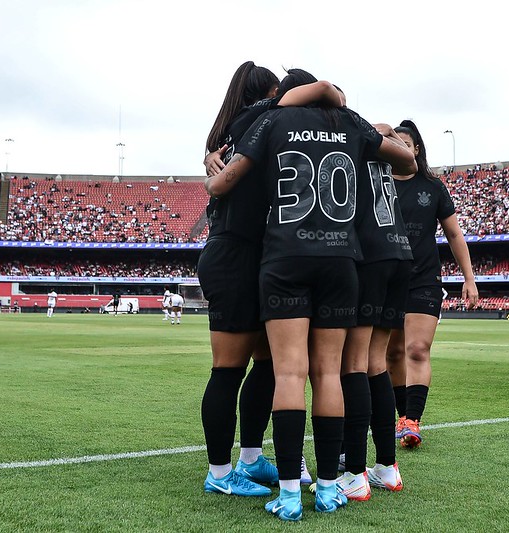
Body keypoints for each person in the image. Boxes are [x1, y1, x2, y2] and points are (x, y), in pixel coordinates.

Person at [205, 68, 417, 521]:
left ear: (287, 94)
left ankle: (286, 493)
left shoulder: (272, 121)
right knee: (329, 374)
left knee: (286, 374)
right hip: (341, 259)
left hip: (284, 256)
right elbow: (408, 164)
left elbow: (223, 183)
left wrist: (211, 174)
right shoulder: (352, 122)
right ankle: (326, 488)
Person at [198, 62, 344, 500]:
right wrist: (327, 96)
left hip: (256, 256)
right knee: (228, 370)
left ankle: (248, 460)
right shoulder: (263, 115)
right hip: (235, 255)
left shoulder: (237, 128)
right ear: (272, 92)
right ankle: (220, 473)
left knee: (267, 365)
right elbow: (326, 88)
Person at [386, 120, 479, 449]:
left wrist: (469, 278)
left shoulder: (433, 186)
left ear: (416, 150)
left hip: (424, 279)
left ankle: (413, 420)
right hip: (385, 279)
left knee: (417, 349)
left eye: (404, 144)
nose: (398, 149)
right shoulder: (377, 183)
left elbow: (454, 234)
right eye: (392, 143)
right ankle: (401, 415)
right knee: (392, 353)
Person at [336, 122, 414, 501]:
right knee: (375, 363)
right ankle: (386, 468)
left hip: (370, 255)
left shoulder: (345, 137)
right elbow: (408, 161)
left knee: (353, 364)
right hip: (400, 251)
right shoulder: (379, 142)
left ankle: (354, 472)